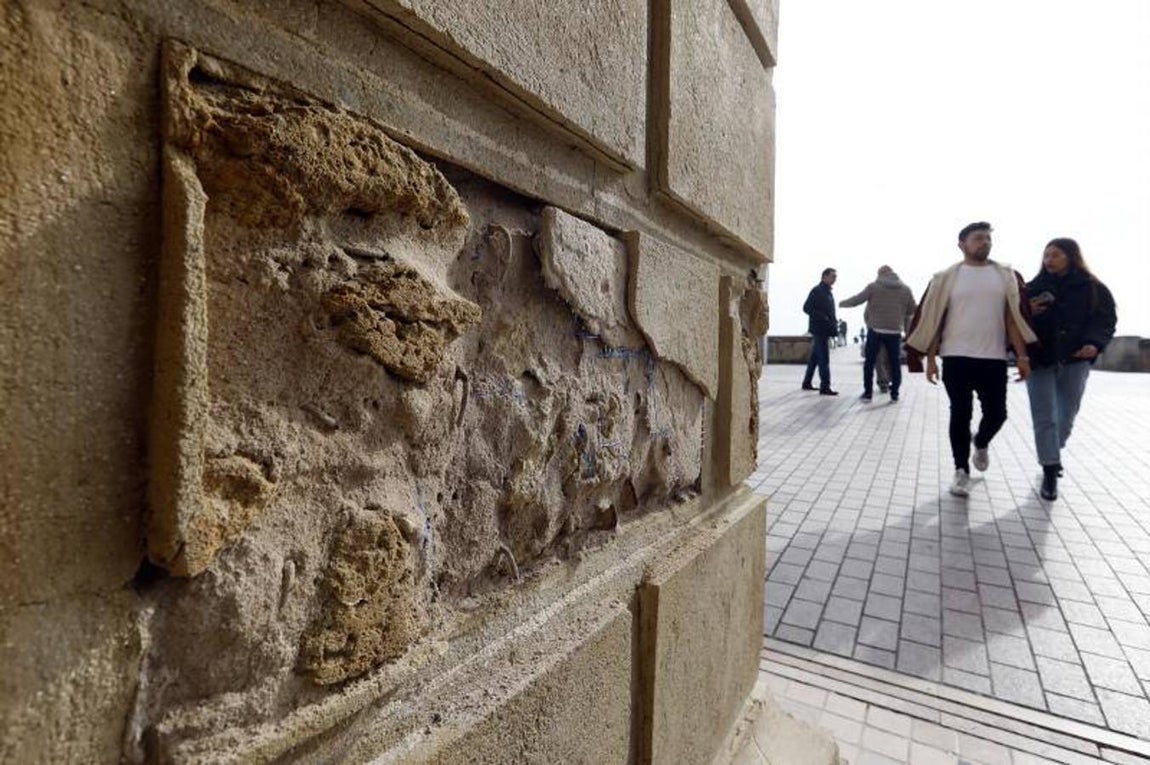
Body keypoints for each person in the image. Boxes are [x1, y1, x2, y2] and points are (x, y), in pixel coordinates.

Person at [905, 222, 1037, 497]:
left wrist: (1022, 356)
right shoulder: (947, 278)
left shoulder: (1005, 275)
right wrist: (931, 359)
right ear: (962, 244)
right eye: (978, 238)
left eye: (988, 238)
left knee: (998, 414)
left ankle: (982, 441)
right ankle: (961, 470)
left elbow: (1013, 319)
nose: (985, 243)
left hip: (994, 357)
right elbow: (935, 319)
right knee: (960, 412)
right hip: (956, 356)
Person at [1024, 238, 1117, 500]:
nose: (1049, 260)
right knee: (1045, 417)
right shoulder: (1031, 288)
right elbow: (1014, 321)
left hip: (1076, 360)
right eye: (1046, 255)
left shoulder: (1094, 288)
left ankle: (1053, 451)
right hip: (1040, 359)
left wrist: (1094, 344)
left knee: (1066, 417)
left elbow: (1106, 320)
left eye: (1055, 255)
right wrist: (1027, 311)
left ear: (1071, 256)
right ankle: (1050, 470)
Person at [839, 266, 916, 401]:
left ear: (880, 274)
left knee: (869, 362)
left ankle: (868, 393)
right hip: (895, 331)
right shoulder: (906, 289)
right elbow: (911, 310)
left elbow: (857, 300)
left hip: (876, 330)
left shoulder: (873, 287)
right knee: (895, 363)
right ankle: (895, 393)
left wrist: (841, 303)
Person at [801, 268, 839, 395]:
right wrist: (822, 317)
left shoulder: (828, 292)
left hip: (826, 329)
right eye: (833, 276)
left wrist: (833, 326)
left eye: (835, 276)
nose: (835, 279)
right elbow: (806, 308)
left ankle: (807, 382)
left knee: (815, 358)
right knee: (824, 359)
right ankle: (825, 386)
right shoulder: (817, 291)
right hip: (819, 330)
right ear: (824, 276)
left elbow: (831, 312)